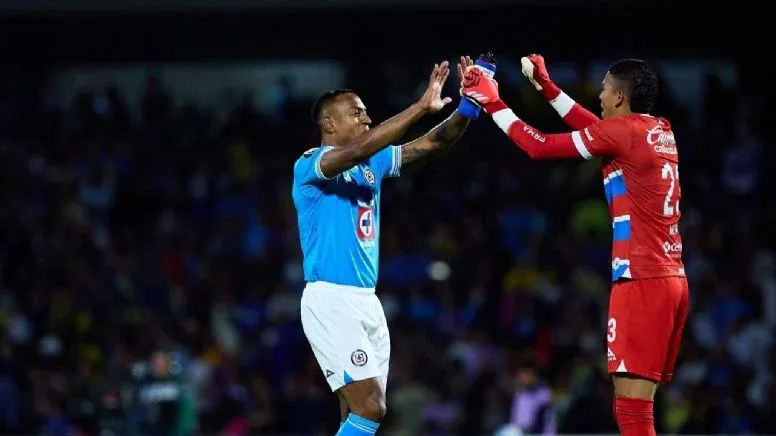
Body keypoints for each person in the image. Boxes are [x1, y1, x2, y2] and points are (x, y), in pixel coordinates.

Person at [461, 55, 689, 436]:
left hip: (641, 278)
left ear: (620, 97)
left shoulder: (622, 134)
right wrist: (547, 89)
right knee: (639, 406)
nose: (599, 96)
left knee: (632, 412)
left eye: (604, 89)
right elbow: (598, 130)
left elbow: (539, 147)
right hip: (671, 278)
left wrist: (493, 102)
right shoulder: (658, 129)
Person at [292, 57, 474, 435]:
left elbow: (433, 143)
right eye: (357, 113)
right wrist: (420, 107)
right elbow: (355, 152)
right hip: (331, 298)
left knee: (355, 413)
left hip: (366, 300)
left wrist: (470, 105)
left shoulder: (371, 163)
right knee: (371, 407)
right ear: (329, 123)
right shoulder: (310, 165)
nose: (367, 119)